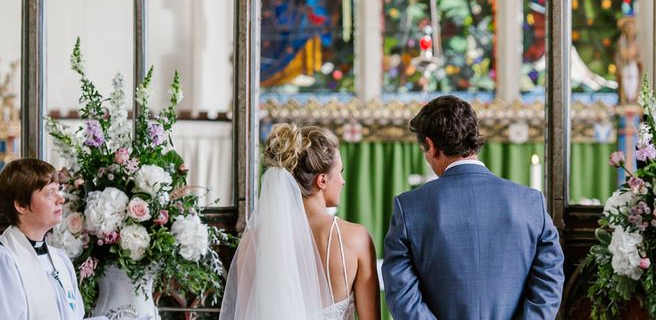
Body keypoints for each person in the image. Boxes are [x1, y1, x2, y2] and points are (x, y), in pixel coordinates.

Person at [382, 96, 564, 319]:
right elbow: (550, 279)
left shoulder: (408, 207)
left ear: (430, 145)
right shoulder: (530, 202)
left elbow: (402, 294)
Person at [220, 124, 380, 320]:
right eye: (340, 172)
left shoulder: (253, 241)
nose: (343, 181)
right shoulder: (356, 239)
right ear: (322, 180)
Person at [0, 158, 106, 320]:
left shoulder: (60, 259)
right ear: (21, 205)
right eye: (50, 193)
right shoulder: (6, 261)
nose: (61, 199)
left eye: (59, 190)